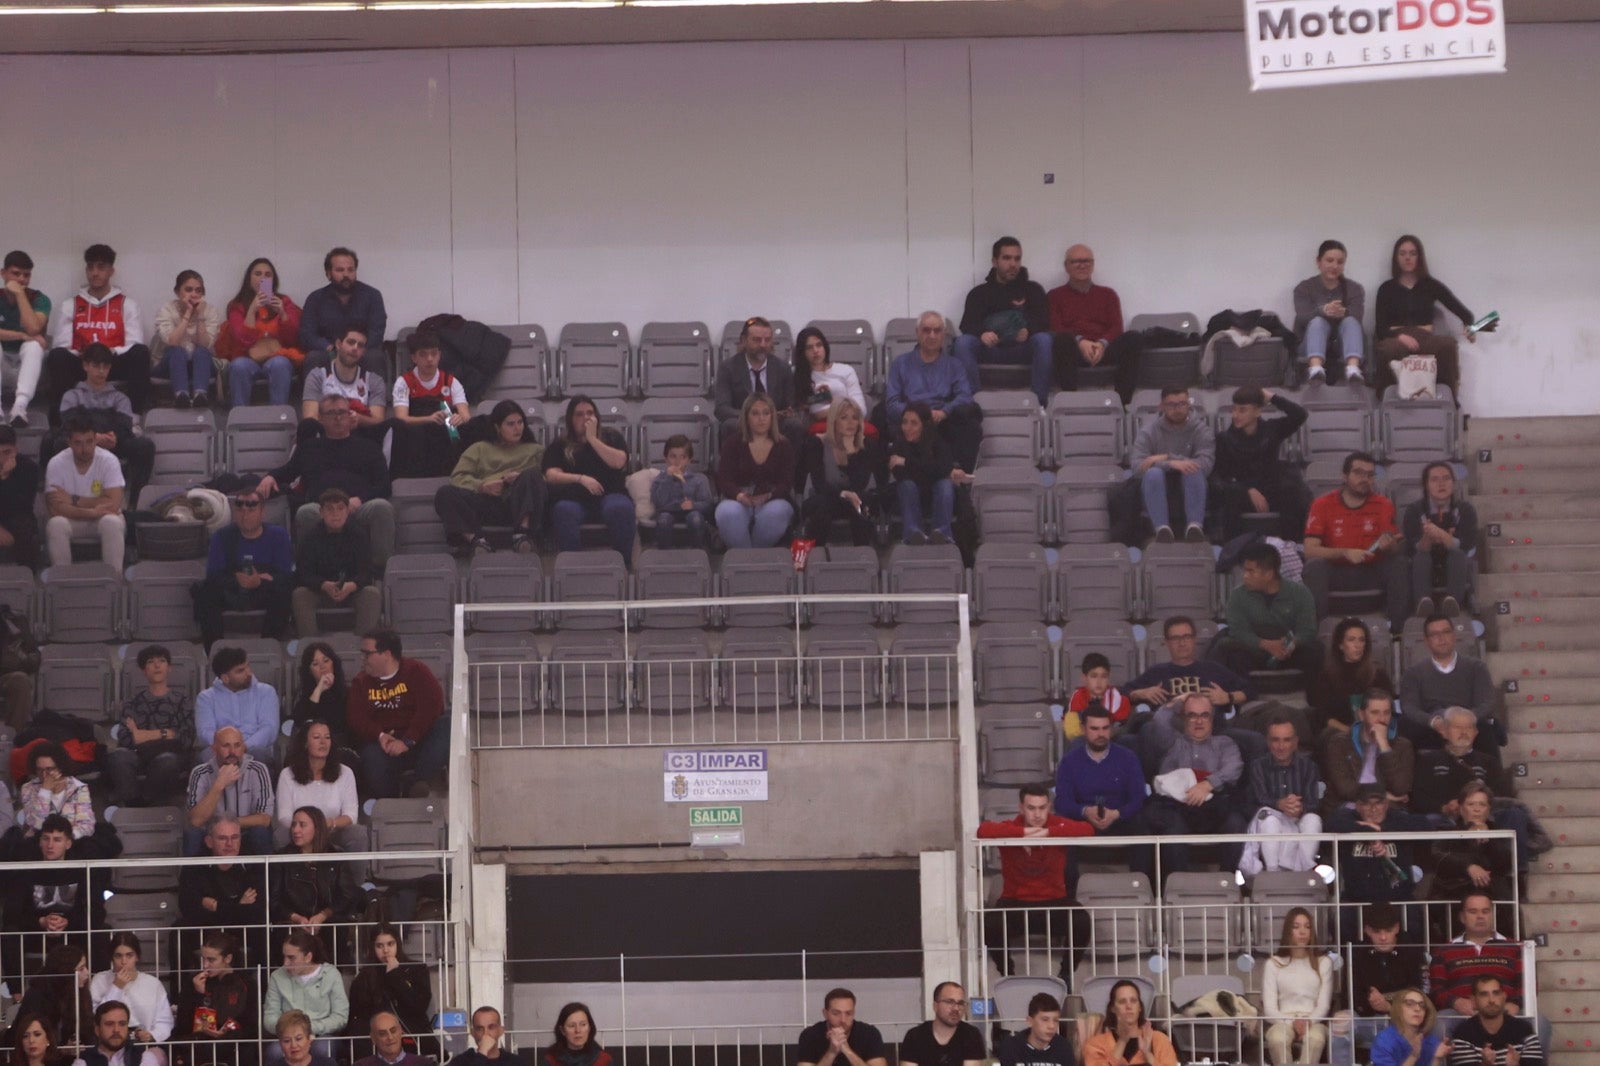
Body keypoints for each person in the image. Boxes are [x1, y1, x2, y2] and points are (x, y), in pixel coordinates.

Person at [256, 395, 395, 569]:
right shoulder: (309, 448)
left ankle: (380, 572)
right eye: (331, 413)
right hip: (321, 508)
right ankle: (310, 571)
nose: (338, 418)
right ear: (320, 419)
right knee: (305, 512)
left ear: (350, 415)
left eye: (342, 412)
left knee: (382, 508)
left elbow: (384, 485)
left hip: (358, 505)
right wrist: (271, 476)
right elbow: (288, 471)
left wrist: (360, 499)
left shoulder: (369, 447)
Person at [976, 786, 1092, 984]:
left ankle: (1066, 975)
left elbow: (1087, 830)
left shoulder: (1056, 826)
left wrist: (1047, 834)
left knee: (1081, 920)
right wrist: (1023, 833)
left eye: (1042, 808)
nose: (1037, 814)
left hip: (1055, 902)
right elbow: (983, 830)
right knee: (991, 924)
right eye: (1031, 808)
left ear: (1049, 807)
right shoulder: (1011, 827)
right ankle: (1008, 974)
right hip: (1015, 903)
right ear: (1021, 808)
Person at [1373, 235, 1493, 398]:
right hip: (1397, 338)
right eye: (1402, 254)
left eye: (1412, 253)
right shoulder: (1386, 289)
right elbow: (1380, 328)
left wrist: (1470, 327)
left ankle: (1449, 401)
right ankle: (1384, 402)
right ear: (1396, 258)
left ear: (1419, 257)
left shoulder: (1430, 285)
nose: (1407, 258)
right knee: (1387, 349)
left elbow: (1464, 313)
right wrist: (1400, 336)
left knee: (1448, 345)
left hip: (1425, 337)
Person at [1142, 693, 1246, 875]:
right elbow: (1159, 720)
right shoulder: (1171, 742)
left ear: (1212, 719)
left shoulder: (1224, 744)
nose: (1199, 721)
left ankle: (1226, 882)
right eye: (1192, 715)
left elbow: (1234, 768)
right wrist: (1181, 700)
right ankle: (1178, 886)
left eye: (1204, 715)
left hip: (1213, 808)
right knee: (1172, 829)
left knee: (1236, 823)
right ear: (1183, 718)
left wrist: (1207, 784)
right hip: (1176, 808)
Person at [1302, 451, 1409, 627]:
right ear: (1345, 476)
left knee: (1399, 563)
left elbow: (1394, 545)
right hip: (1336, 571)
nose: (1364, 479)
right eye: (1358, 473)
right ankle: (1315, 632)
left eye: (1369, 474)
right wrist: (1344, 553)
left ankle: (1397, 633)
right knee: (1314, 566)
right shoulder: (1322, 504)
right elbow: (1309, 550)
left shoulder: (1383, 504)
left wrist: (1389, 546)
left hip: (1371, 569)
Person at [44, 244, 151, 420]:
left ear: (111, 271)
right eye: (91, 267)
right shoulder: (70, 305)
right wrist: (86, 356)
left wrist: (109, 353)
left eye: (101, 267)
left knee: (141, 353)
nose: (95, 272)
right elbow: (61, 345)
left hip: (112, 363)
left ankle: (133, 416)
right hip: (83, 364)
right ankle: (60, 420)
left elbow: (134, 342)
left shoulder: (127, 305)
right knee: (56, 356)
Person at [44, 343, 155, 507]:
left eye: (106, 366)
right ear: (85, 365)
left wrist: (112, 437)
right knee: (57, 442)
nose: (101, 371)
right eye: (96, 366)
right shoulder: (72, 395)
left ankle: (135, 504)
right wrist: (94, 438)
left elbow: (124, 427)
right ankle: (60, 500)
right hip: (81, 442)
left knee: (144, 445)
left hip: (113, 443)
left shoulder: (120, 398)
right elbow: (69, 425)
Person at [1052, 703, 1154, 878]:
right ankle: (1068, 895)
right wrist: (1085, 811)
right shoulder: (1070, 761)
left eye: (1105, 728)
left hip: (1120, 819)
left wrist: (1117, 814)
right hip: (1083, 821)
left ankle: (1143, 888)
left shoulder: (1127, 758)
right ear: (1083, 729)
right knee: (1061, 827)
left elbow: (1138, 797)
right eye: (1094, 729)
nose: (1100, 734)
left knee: (1143, 826)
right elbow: (1062, 800)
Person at [433, 399, 544, 557]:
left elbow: (548, 477)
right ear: (498, 427)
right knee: (445, 493)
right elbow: (458, 477)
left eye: (520, 423)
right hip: (488, 501)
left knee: (532, 476)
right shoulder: (480, 448)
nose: (517, 428)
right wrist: (482, 486)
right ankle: (476, 541)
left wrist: (520, 477)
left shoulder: (536, 450)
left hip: (520, 502)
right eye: (510, 424)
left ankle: (523, 534)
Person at [348, 629, 448, 799]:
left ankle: (416, 783)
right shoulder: (361, 682)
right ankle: (391, 799)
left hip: (418, 742)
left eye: (367, 654)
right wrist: (379, 735)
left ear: (386, 654)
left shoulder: (416, 671)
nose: (363, 658)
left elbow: (431, 707)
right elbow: (356, 718)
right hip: (383, 747)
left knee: (447, 725)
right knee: (370, 756)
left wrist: (408, 740)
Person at [954, 238, 1052, 407]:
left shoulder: (1033, 290)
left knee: (1044, 339)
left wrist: (1028, 330)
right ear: (994, 261)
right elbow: (967, 324)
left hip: (1022, 349)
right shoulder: (979, 293)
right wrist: (982, 333)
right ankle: (973, 404)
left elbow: (1044, 321)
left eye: (1017, 258)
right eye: (1006, 258)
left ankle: (1040, 404)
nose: (1013, 264)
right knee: (963, 343)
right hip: (990, 350)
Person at [1326, 786, 1433, 941]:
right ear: (1358, 806)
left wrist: (1382, 831)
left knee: (1416, 920)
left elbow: (1425, 824)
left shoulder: (1399, 819)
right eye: (1367, 804)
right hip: (1358, 899)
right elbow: (1331, 824)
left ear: (1386, 805)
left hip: (1397, 897)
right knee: (1341, 920)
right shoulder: (1348, 818)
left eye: (1378, 803)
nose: (1373, 809)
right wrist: (1366, 831)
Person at [1428, 893, 1535, 1044]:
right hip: (1461, 1012)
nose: (1480, 916)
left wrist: (1516, 1004)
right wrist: (1455, 1002)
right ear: (1462, 917)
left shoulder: (1515, 947)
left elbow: (1528, 984)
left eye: (1485, 911)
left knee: (1540, 1024)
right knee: (1439, 1024)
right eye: (1473, 912)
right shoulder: (1445, 950)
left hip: (1506, 1010)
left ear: (1492, 914)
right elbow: (1437, 989)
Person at [884, 312, 982, 473]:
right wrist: (918, 416)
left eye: (937, 331)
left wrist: (944, 412)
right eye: (926, 330)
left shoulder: (954, 365)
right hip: (912, 422)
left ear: (943, 335)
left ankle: (962, 480)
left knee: (972, 427)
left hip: (942, 421)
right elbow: (892, 404)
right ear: (917, 333)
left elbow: (965, 396)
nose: (932, 335)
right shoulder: (900, 364)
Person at [192, 492, 293, 647]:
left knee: (283, 593)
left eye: (251, 510)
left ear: (262, 512)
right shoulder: (222, 537)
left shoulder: (278, 535)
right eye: (240, 510)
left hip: (264, 590)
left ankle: (269, 647)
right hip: (232, 589)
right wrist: (238, 580)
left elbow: (286, 576)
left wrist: (259, 581)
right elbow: (213, 576)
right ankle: (215, 649)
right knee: (206, 592)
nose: (245, 515)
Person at [1330, 902, 1426, 1066]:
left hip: (1405, 1021)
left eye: (1388, 931)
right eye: (1377, 932)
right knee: (1340, 1020)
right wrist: (1373, 1004)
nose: (1383, 937)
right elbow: (1350, 997)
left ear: (1397, 928)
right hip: (1367, 1019)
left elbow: (1421, 992)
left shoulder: (1412, 951)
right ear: (1367, 930)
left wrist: (1389, 1006)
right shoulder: (1356, 953)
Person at [541, 395, 635, 561]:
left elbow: (619, 462)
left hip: (610, 494)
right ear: (570, 419)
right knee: (563, 510)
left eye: (590, 413)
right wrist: (581, 478)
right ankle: (572, 566)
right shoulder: (560, 444)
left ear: (596, 417)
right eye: (579, 414)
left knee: (621, 508)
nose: (585, 418)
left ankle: (623, 564)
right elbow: (551, 475)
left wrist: (592, 439)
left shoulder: (612, 437)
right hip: (575, 498)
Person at [1212, 386, 1310, 540]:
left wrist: (1272, 397)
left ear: (1257, 411)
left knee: (1294, 492)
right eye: (1234, 410)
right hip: (1240, 491)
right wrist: (1246, 490)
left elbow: (1300, 415)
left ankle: (1292, 545)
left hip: (1270, 488)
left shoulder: (1272, 429)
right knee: (1230, 498)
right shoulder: (1224, 439)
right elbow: (1219, 477)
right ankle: (1233, 549)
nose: (1236, 415)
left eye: (1242, 410)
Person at [1215, 542, 1323, 682]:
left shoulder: (1300, 593)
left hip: (1289, 652)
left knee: (1316, 651)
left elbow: (1307, 630)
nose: (1245, 576)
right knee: (1229, 651)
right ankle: (1242, 699)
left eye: (1251, 571)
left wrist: (1291, 644)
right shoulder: (1237, 596)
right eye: (1245, 571)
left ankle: (1309, 701)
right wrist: (1266, 645)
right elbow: (1238, 631)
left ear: (1269, 574)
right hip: (1254, 652)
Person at [105, 644, 195, 808]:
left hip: (171, 756)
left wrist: (143, 735)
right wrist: (167, 733)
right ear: (143, 670)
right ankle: (132, 803)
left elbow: (186, 738)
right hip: (140, 755)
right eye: (150, 662)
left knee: (167, 761)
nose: (157, 665)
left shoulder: (182, 701)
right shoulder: (132, 703)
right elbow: (126, 739)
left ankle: (148, 800)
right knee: (119, 755)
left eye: (162, 661)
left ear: (169, 668)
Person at [1046, 244, 1137, 404]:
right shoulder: (1054, 296)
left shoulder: (1108, 294)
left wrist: (1101, 344)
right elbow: (1055, 326)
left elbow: (1116, 327)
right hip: (1073, 350)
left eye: (1087, 261)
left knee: (1134, 338)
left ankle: (1123, 403)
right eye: (1076, 261)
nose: (1082, 265)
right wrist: (1080, 341)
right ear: (1066, 266)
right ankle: (1070, 401)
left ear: (1093, 265)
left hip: (1103, 349)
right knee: (1062, 340)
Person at [1399, 614, 1500, 754]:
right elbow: (1409, 707)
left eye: (1446, 632)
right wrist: (1433, 722)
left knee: (1486, 731)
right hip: (1432, 726)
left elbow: (1487, 702)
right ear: (1426, 641)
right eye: (1434, 634)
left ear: (1454, 636)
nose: (1441, 638)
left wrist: (1464, 721)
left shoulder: (1477, 668)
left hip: (1468, 723)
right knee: (1407, 729)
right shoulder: (1413, 673)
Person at [176, 816, 268, 970]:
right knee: (179, 931)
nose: (229, 844)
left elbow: (257, 911)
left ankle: (262, 989)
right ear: (209, 841)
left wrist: (216, 906)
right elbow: (189, 908)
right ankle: (182, 990)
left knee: (262, 930)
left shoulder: (254, 864)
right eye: (222, 838)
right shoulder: (193, 866)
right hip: (206, 930)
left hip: (241, 929)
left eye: (235, 837)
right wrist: (238, 906)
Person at [1239, 714, 1323, 877]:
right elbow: (1259, 798)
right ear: (1268, 742)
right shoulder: (1258, 765)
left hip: (1299, 817)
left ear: (1295, 742)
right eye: (1275, 740)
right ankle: (1273, 874)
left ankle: (1303, 873)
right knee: (1269, 820)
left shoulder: (1308, 766)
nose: (1281, 746)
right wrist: (1280, 804)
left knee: (1313, 819)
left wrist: (1298, 808)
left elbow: (1313, 802)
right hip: (1270, 818)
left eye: (1286, 740)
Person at [43, 411, 126, 571]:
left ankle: (114, 580)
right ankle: (63, 582)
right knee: (55, 524)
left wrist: (74, 500)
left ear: (96, 439)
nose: (85, 449)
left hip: (102, 519)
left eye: (89, 442)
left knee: (112, 522)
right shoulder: (56, 463)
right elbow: (56, 509)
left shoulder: (109, 461)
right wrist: (93, 512)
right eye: (78, 443)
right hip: (73, 520)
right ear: (69, 442)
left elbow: (113, 504)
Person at [292, 489, 381, 637]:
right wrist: (323, 584)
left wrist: (352, 585)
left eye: (340, 508)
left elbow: (367, 571)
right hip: (320, 591)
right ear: (321, 512)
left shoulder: (359, 536)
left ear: (347, 511)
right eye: (330, 509)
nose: (335, 513)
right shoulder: (310, 538)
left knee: (372, 594)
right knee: (299, 594)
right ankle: (311, 647)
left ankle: (364, 648)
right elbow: (302, 573)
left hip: (352, 591)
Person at [1129, 386, 1212, 543]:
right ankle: (1162, 528)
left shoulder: (1201, 430)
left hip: (1191, 483)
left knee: (1192, 469)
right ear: (1162, 406)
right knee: (1153, 473)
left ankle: (1195, 526)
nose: (1178, 409)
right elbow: (1137, 468)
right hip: (1157, 484)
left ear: (1189, 405)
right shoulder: (1148, 431)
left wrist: (1167, 457)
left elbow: (1206, 465)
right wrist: (1170, 464)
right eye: (1171, 405)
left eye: (1182, 404)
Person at [715, 393, 796, 549]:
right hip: (738, 499)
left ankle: (756, 558)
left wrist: (768, 496)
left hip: (773, 498)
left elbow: (787, 483)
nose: (761, 418)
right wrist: (739, 496)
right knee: (727, 513)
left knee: (776, 512)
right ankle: (745, 559)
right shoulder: (733, 443)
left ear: (772, 416)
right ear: (746, 417)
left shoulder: (783, 445)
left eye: (766, 413)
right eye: (755, 413)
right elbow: (724, 479)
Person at [271, 806, 365, 939]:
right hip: (293, 923)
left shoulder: (336, 856)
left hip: (329, 921)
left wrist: (323, 915)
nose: (295, 830)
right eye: (293, 825)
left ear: (317, 828)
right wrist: (297, 919)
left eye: (302, 825)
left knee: (337, 930)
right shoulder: (281, 858)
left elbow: (347, 895)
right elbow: (274, 901)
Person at [797, 399, 880, 549]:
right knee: (826, 504)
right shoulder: (817, 444)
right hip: (824, 498)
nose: (850, 423)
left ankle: (863, 557)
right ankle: (813, 556)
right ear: (834, 421)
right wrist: (843, 493)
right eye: (844, 418)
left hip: (854, 500)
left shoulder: (867, 445)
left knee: (861, 503)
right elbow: (819, 484)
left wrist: (852, 453)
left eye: (855, 418)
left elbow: (860, 484)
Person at [219, 258, 301, 408]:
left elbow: (293, 339)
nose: (263, 278)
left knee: (280, 363)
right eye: (257, 274)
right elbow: (241, 339)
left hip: (276, 356)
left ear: (273, 280)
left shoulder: (285, 301)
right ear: (249, 279)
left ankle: (277, 417)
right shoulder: (237, 305)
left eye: (268, 274)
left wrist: (282, 313)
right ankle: (240, 418)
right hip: (246, 357)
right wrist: (252, 310)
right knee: (238, 366)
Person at [390, 330, 470, 479]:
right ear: (413, 358)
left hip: (444, 432)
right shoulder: (404, 382)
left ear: (440, 355)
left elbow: (465, 415)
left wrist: (459, 418)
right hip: (416, 433)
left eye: (434, 353)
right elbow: (401, 418)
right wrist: (430, 419)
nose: (429, 359)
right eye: (423, 354)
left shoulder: (451, 382)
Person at [183, 726, 275, 856]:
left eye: (237, 745)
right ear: (214, 749)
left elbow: (264, 819)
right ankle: (191, 877)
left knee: (260, 832)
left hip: (244, 833)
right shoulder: (200, 773)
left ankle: (267, 876)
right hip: (212, 836)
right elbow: (195, 821)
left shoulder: (257, 770)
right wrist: (219, 784)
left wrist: (228, 826)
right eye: (226, 746)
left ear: (243, 748)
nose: (232, 752)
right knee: (193, 834)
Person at [1320, 689, 1414, 813]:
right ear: (1361, 714)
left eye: (1386, 713)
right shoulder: (1340, 743)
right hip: (1348, 806)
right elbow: (1345, 789)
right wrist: (1383, 795)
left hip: (1387, 809)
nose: (1381, 719)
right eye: (1375, 713)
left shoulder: (1403, 746)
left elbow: (1400, 788)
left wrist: (1385, 746)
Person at [1402, 463, 1477, 618]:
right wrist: (1428, 536)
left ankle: (1453, 603)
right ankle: (1423, 603)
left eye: (1446, 478)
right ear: (1426, 485)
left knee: (1457, 554)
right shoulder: (1414, 510)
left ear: (1454, 483)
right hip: (1424, 560)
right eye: (1435, 479)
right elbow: (1414, 547)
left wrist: (1442, 535)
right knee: (1421, 557)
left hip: (1455, 561)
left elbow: (1467, 545)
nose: (1441, 484)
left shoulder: (1465, 509)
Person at [711, 316, 802, 443]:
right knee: (729, 426)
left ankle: (789, 463)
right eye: (757, 340)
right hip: (743, 423)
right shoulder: (728, 368)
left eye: (767, 340)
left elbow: (790, 405)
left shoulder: (782, 368)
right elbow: (721, 409)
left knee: (794, 425)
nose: (763, 345)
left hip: (775, 423)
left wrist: (781, 414)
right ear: (743, 341)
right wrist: (752, 416)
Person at [299, 248, 387, 375]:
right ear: (328, 273)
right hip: (329, 351)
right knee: (313, 358)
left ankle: (374, 396)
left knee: (375, 358)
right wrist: (330, 348)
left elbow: (377, 331)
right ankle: (314, 396)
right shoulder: (315, 298)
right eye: (340, 270)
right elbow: (307, 333)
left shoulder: (372, 296)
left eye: (350, 270)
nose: (346, 274)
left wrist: (356, 348)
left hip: (361, 350)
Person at [275, 722, 362, 850]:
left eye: (327, 737)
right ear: (305, 743)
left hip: (333, 831)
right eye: (317, 737)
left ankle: (354, 871)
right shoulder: (287, 774)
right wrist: (306, 828)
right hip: (300, 832)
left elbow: (351, 816)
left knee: (358, 834)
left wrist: (327, 824)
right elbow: (284, 817)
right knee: (281, 834)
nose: (323, 742)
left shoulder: (345, 773)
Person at [889, 402, 966, 546]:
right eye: (905, 422)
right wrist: (929, 470)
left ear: (924, 425)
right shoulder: (898, 443)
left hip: (936, 495)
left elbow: (943, 469)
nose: (907, 428)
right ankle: (913, 534)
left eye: (914, 423)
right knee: (907, 485)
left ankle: (941, 534)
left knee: (944, 484)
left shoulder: (938, 442)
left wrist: (907, 463)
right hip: (910, 496)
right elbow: (901, 475)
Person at [1262, 908, 1333, 1065]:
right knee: (1277, 1039)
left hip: (1314, 1020)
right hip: (1282, 1020)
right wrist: (1292, 1023)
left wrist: (1308, 1022)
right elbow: (1269, 1009)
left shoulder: (1323, 962)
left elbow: (1324, 1005)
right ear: (1288, 930)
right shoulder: (1274, 964)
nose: (1303, 932)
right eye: (1296, 927)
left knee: (1315, 1039)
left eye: (1307, 927)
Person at [175, 932, 258, 1066]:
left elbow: (250, 1025)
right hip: (200, 1040)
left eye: (211, 960)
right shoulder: (194, 982)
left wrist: (226, 1033)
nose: (205, 965)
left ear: (228, 958)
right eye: (203, 959)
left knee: (247, 1049)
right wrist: (199, 995)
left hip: (234, 1042)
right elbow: (182, 1025)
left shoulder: (247, 983)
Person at [1431, 781, 1515, 912]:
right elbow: (1438, 857)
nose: (1477, 809)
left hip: (1492, 896)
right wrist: (1468, 867)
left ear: (1489, 809)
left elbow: (1506, 864)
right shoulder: (1446, 831)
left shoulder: (1499, 832)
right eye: (1471, 804)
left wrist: (1490, 839)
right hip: (1454, 895)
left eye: (1482, 804)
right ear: (1461, 808)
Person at [262, 937, 349, 1062]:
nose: (285, 963)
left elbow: (340, 1017)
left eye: (291, 958)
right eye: (284, 957)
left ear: (308, 957)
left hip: (322, 1035)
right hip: (288, 1035)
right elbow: (269, 1018)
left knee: (322, 1048)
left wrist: (307, 1030)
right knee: (274, 1051)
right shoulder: (277, 976)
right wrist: (292, 1032)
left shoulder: (331, 974)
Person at [346, 925, 433, 1049]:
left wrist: (394, 975)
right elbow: (359, 1015)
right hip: (377, 1035)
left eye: (390, 944)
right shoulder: (364, 976)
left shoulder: (417, 969)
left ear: (398, 944)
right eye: (379, 946)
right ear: (373, 948)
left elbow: (419, 1007)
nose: (386, 950)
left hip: (410, 1031)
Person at [1294, 240, 1367, 384]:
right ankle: (1315, 371)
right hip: (1308, 344)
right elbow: (1302, 317)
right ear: (1318, 262)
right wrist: (1323, 311)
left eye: (1340, 262)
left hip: (1342, 346)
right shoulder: (1304, 288)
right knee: (1318, 322)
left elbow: (1358, 316)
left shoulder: (1354, 288)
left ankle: (1353, 370)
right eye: (1329, 260)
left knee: (1351, 321)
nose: (1335, 266)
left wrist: (1343, 312)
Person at [1309, 617, 1393, 739]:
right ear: (1341, 645)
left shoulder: (1378, 675)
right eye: (1351, 640)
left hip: (1375, 731)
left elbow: (1389, 710)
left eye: (1361, 640)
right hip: (1340, 733)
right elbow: (1323, 716)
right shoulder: (1326, 677)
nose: (1357, 645)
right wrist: (1350, 731)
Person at [1412, 710, 1506, 818]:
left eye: (1468, 727)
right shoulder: (1427, 760)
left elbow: (1500, 794)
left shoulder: (1489, 762)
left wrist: (1474, 805)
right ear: (1444, 731)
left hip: (1482, 816)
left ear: (1476, 732)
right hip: (1441, 817)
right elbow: (1418, 797)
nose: (1463, 732)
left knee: (1512, 815)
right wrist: (1443, 808)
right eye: (1457, 727)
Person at [195, 647, 280, 764]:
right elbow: (205, 733)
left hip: (254, 748)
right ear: (225, 678)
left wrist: (242, 747)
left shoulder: (266, 692)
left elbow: (269, 729)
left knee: (259, 754)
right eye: (240, 671)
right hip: (220, 750)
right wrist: (226, 748)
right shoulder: (206, 698)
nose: (249, 673)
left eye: (247, 666)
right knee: (205, 757)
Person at [150, 270, 221, 408]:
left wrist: (200, 316)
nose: (193, 295)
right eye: (188, 290)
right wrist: (187, 314)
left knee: (201, 352)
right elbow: (173, 342)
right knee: (177, 351)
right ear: (177, 292)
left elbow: (205, 344)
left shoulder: (210, 311)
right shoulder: (167, 310)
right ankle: (181, 396)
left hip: (201, 364)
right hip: (169, 364)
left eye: (198, 290)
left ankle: (200, 396)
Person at [88, 934, 174, 1047]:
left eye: (129, 955)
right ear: (112, 958)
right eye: (118, 956)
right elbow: (96, 1016)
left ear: (137, 957)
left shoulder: (152, 983)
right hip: (108, 1044)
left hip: (144, 1045)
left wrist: (152, 1035)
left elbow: (165, 1021)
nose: (124, 962)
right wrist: (116, 987)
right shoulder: (100, 979)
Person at [300, 326, 386, 436]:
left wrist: (359, 419)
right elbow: (310, 419)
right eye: (351, 342)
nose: (355, 348)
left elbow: (379, 421)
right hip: (325, 439)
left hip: (359, 437)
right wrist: (337, 419)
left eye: (360, 346)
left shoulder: (374, 380)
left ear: (363, 352)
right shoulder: (317, 376)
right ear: (338, 344)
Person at [11, 943, 94, 1054]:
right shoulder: (37, 996)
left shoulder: (81, 992)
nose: (87, 973)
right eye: (81, 968)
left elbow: (87, 1030)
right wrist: (63, 1050)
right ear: (65, 972)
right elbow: (31, 1040)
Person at [1444, 976, 1544, 1066]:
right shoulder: (1463, 1034)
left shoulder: (1525, 1030)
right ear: (1473, 1000)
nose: (1491, 1000)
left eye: (1496, 993)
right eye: (1484, 994)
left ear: (1504, 997)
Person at [1, 249, 50, 425]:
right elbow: (28, 334)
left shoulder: (39, 299)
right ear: (3, 273)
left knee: (35, 346)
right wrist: (21, 335)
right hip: (3, 364)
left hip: (29, 367)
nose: (21, 279)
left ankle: (19, 407)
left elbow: (34, 328)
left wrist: (20, 294)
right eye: (16, 274)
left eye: (26, 275)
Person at [1080, 980, 1178, 1066]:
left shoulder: (1159, 1040)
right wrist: (1122, 1041)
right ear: (1112, 1008)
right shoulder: (1096, 1045)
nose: (1128, 1006)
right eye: (1122, 1001)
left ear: (1140, 1007)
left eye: (1133, 1001)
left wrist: (1148, 1055)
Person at [14, 742, 96, 843]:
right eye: (40, 770)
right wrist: (45, 791)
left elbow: (87, 826)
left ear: (60, 767)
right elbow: (36, 824)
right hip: (39, 843)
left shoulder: (78, 788)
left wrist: (62, 840)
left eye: (49, 769)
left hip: (72, 842)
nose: (44, 775)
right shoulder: (28, 788)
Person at [792, 327, 867, 430]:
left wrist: (831, 403)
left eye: (819, 345)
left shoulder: (845, 370)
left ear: (825, 347)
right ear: (802, 352)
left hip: (851, 422)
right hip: (821, 426)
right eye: (809, 347)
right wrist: (824, 399)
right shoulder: (799, 376)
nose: (815, 351)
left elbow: (861, 409)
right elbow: (807, 408)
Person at [648, 433, 715, 550]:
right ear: (666, 459)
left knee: (696, 519)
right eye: (673, 456)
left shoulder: (699, 479)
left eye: (683, 457)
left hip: (692, 511)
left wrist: (693, 505)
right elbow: (658, 502)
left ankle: (697, 553)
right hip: (667, 512)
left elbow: (708, 504)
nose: (677, 462)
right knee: (663, 520)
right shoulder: (660, 479)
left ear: (689, 460)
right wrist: (668, 478)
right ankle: (664, 555)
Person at [290, 643, 354, 755]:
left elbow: (341, 726)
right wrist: (319, 690)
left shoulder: (348, 692)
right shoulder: (305, 694)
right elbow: (299, 720)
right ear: (309, 671)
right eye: (315, 664)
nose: (322, 667)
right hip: (310, 749)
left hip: (340, 746)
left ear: (334, 663)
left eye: (326, 661)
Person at [795, 988, 887, 1066]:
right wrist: (832, 1052)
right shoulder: (810, 1035)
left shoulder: (869, 1033)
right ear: (825, 1013)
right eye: (836, 1013)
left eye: (848, 1013)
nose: (843, 1019)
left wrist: (847, 1050)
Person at [899, 983, 985, 1066]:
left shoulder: (971, 1034)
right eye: (950, 1002)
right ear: (935, 1006)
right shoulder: (914, 1036)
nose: (956, 1008)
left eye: (961, 1003)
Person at [70, 1000, 167, 1066]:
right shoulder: (83, 1063)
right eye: (109, 1024)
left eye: (122, 1024)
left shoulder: (144, 1058)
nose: (116, 1029)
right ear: (97, 1030)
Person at [1061, 652, 1131, 743]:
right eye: (1093, 676)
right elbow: (1072, 732)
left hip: (1113, 741)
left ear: (1108, 678)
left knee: (1127, 740)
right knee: (1078, 741)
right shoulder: (1076, 700)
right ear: (1084, 678)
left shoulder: (1120, 700)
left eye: (1103, 676)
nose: (1099, 682)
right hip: (1085, 743)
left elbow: (1121, 728)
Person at [0, 423, 42, 567]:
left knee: (23, 526)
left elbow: (22, 505)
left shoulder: (28, 468)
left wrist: (4, 477)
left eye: (6, 452)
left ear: (15, 449)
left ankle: (27, 577)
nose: (1, 459)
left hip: (17, 517)